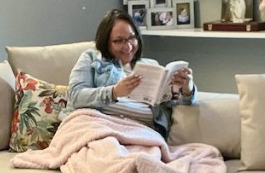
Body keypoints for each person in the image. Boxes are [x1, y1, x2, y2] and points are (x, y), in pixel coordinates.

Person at [68, 9, 195, 138]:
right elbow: (76, 97)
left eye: (131, 38)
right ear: (106, 42)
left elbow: (172, 104)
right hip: (101, 126)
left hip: (143, 132)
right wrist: (114, 92)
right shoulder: (92, 58)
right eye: (119, 41)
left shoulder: (151, 66)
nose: (128, 47)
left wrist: (187, 90)